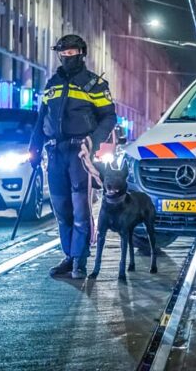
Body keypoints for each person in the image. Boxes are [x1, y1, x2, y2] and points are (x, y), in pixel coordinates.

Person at [28, 34, 117, 279]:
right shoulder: (52, 83)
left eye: (72, 53)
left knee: (80, 209)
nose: (67, 57)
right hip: (55, 152)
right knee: (61, 208)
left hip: (80, 153)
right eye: (63, 53)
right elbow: (41, 118)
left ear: (82, 53)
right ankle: (68, 256)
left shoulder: (94, 84)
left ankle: (80, 259)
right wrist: (34, 148)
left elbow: (110, 117)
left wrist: (93, 140)